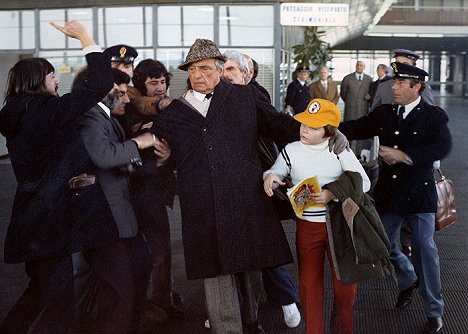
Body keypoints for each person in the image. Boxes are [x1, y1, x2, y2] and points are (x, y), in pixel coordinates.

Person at [148, 38, 305, 334]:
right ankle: (228, 328)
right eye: (192, 69)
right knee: (216, 274)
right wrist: (161, 160)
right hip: (203, 206)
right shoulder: (174, 113)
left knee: (250, 268)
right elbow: (161, 156)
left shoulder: (244, 98)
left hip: (246, 198)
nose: (198, 75)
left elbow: (279, 125)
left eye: (205, 68)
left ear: (220, 71)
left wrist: (319, 132)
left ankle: (250, 320)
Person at [0, 20, 117, 333]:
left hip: (30, 215)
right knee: (58, 297)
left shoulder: (13, 113)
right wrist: (85, 39)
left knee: (42, 289)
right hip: (52, 216)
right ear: (41, 80)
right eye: (53, 76)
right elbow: (100, 82)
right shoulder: (48, 111)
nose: (56, 82)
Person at [339, 62, 452, 334]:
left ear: (417, 87)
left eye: (401, 83)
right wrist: (324, 126)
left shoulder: (433, 115)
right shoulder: (385, 113)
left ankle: (434, 312)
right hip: (390, 193)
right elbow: (356, 127)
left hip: (419, 192)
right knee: (381, 244)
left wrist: (404, 155)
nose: (394, 87)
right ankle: (408, 278)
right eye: (394, 82)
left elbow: (442, 146)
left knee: (425, 250)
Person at [263, 98, 371, 334]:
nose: (304, 129)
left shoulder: (340, 150)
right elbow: (276, 169)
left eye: (313, 127)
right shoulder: (291, 150)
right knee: (309, 288)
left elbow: (364, 182)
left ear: (328, 131)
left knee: (345, 287)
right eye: (303, 124)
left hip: (339, 227)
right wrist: (269, 176)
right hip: (307, 227)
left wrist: (333, 192)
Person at [78, 68, 168, 332]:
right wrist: (140, 142)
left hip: (121, 218)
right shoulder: (90, 119)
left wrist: (159, 160)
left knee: (141, 266)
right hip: (105, 218)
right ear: (104, 93)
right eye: (120, 94)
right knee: (121, 290)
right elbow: (105, 156)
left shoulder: (108, 118)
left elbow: (121, 164)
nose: (128, 100)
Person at [222, 49, 301, 330]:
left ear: (247, 74)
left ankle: (286, 299)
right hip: (227, 186)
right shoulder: (215, 99)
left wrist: (312, 131)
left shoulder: (253, 96)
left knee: (266, 243)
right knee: (234, 251)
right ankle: (236, 308)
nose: (225, 75)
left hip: (257, 182)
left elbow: (278, 124)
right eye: (223, 69)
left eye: (231, 69)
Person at [120, 58, 185, 323]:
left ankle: (161, 300)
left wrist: (167, 156)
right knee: (150, 253)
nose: (159, 87)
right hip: (134, 191)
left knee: (159, 252)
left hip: (155, 191)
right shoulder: (129, 109)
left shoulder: (164, 110)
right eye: (153, 82)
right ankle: (153, 303)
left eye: (162, 82)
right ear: (141, 84)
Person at [371, 49, 435, 110]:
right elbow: (373, 112)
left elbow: (430, 112)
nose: (400, 67)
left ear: (413, 66)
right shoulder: (383, 86)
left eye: (405, 64)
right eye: (398, 64)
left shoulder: (420, 87)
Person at [340, 60, 372, 155]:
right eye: (358, 65)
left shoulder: (369, 79)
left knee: (361, 132)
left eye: (361, 65)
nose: (359, 67)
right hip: (350, 111)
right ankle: (346, 153)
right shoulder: (347, 78)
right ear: (355, 66)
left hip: (363, 110)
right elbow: (343, 93)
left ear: (364, 67)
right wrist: (350, 102)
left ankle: (359, 154)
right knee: (348, 132)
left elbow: (371, 93)